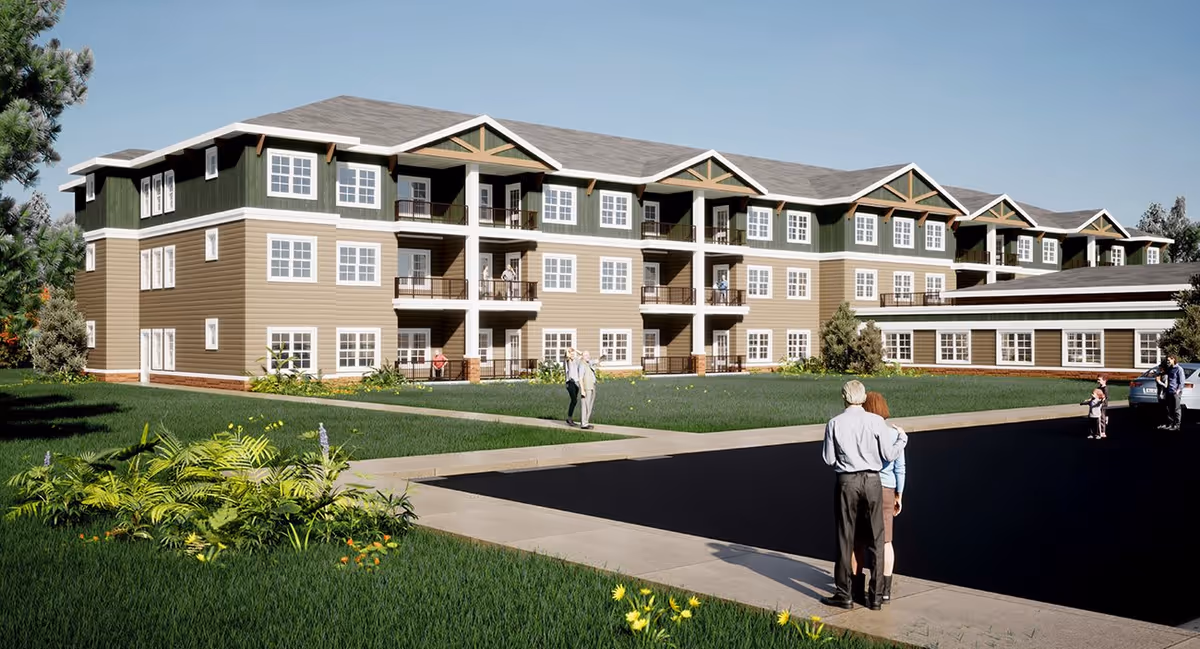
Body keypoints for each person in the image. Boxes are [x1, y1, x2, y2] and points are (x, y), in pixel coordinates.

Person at [820, 380, 908, 611]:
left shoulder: (834, 423)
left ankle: (845, 594)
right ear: (863, 397)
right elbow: (889, 454)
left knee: (845, 537)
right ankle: (876, 597)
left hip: (847, 481)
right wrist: (903, 440)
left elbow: (829, 459)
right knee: (877, 539)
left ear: (844, 397)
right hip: (873, 481)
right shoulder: (877, 421)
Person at [850, 392, 906, 606]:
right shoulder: (894, 434)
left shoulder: (862, 431)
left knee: (858, 541)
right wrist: (899, 494)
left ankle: (856, 589)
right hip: (887, 490)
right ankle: (883, 591)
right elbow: (900, 468)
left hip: (864, 486)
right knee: (885, 542)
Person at [1160, 355, 1185, 431]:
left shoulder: (1179, 369)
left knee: (1176, 409)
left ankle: (1177, 425)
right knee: (1169, 409)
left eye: (1169, 360)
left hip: (1175, 392)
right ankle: (1171, 424)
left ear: (1173, 359)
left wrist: (1178, 390)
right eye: (1167, 360)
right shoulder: (1169, 369)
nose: (1168, 362)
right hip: (1169, 391)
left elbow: (1182, 381)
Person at [578, 350, 598, 430]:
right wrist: (582, 390)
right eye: (586, 355)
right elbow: (580, 378)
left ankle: (586, 422)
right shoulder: (582, 364)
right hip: (586, 387)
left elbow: (596, 361)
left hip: (592, 386)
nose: (588, 356)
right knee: (585, 406)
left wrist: (602, 358)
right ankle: (584, 424)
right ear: (582, 356)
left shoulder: (588, 363)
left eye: (589, 355)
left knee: (589, 405)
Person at [564, 348, 581, 426]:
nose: (572, 355)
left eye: (573, 354)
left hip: (577, 383)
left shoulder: (576, 360)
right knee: (574, 400)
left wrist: (575, 350)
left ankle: (569, 418)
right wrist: (568, 350)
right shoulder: (567, 361)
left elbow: (582, 354)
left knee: (574, 401)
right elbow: (566, 356)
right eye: (571, 354)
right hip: (570, 382)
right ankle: (569, 418)